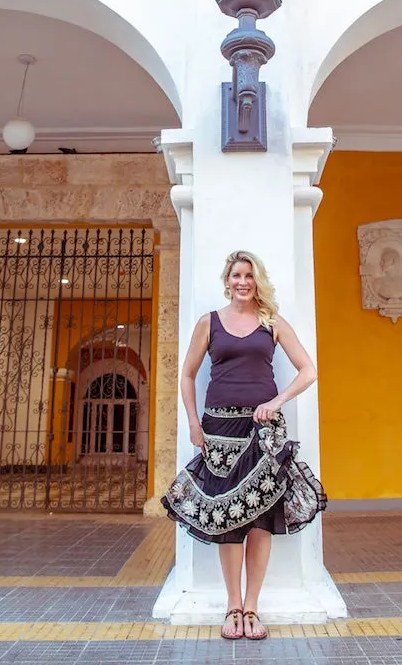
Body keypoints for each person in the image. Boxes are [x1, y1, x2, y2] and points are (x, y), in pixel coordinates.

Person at [161, 250, 326, 641]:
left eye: (249, 276)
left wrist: (276, 402)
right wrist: (192, 422)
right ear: (227, 279)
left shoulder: (272, 323)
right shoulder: (209, 323)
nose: (242, 282)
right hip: (219, 430)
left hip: (263, 429)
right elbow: (186, 376)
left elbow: (309, 371)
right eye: (236, 275)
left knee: (261, 519)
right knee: (228, 520)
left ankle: (252, 607)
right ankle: (232, 606)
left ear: (257, 281)